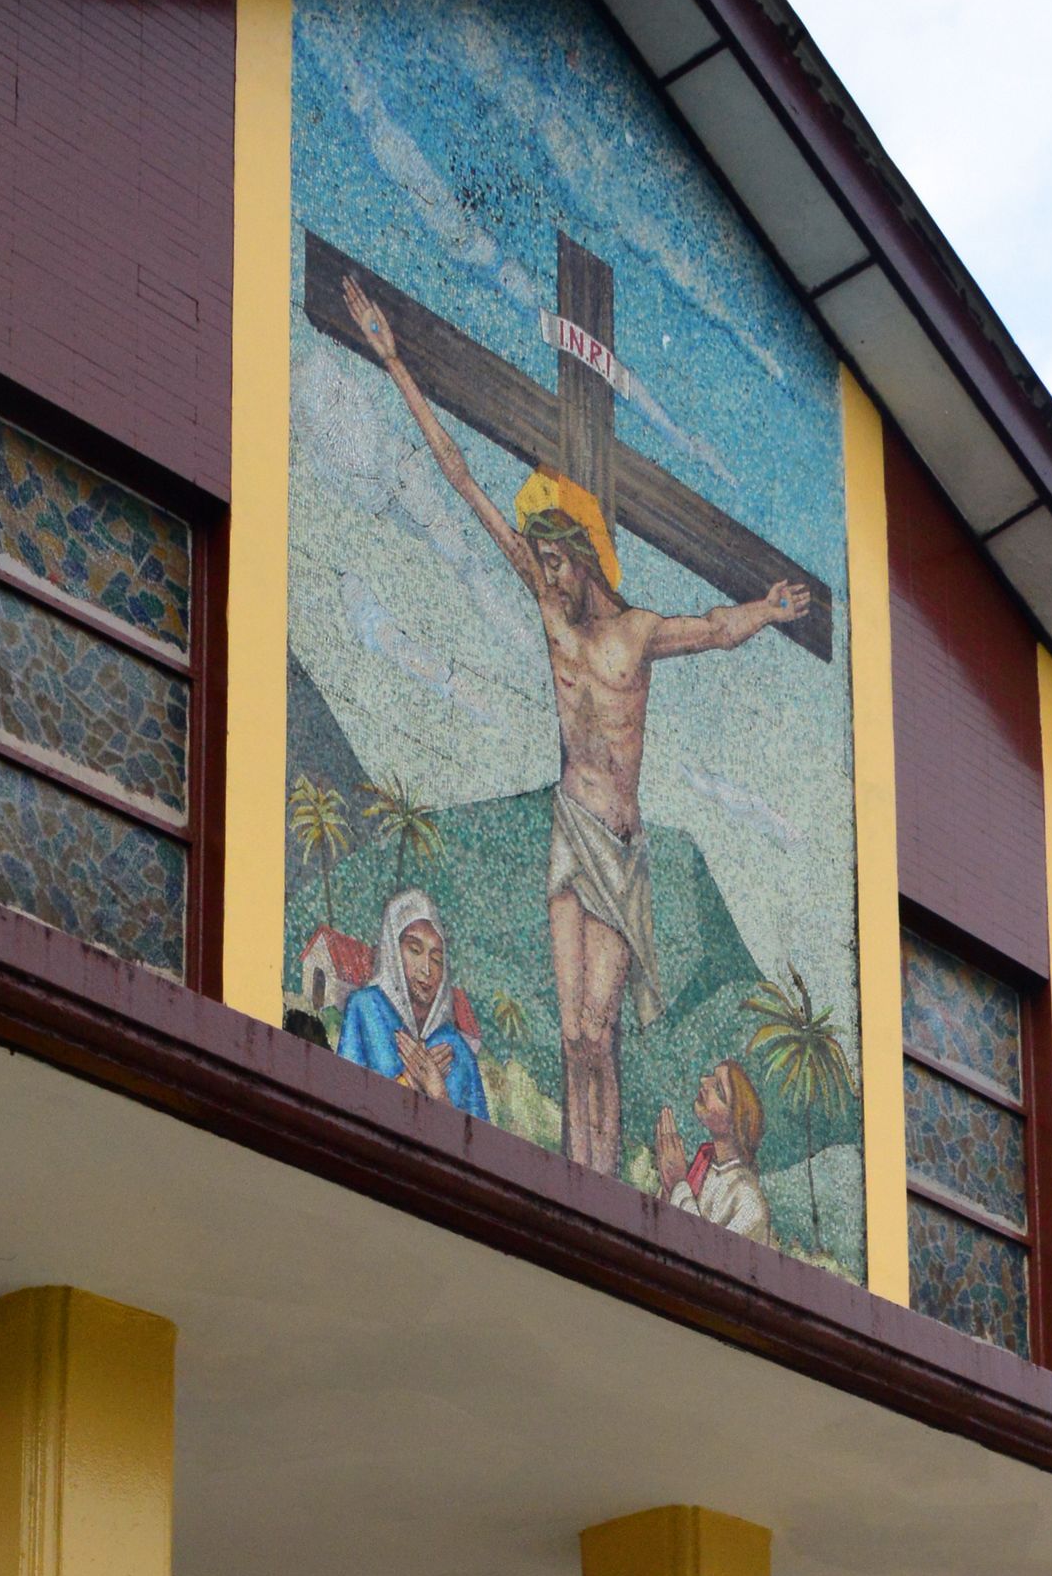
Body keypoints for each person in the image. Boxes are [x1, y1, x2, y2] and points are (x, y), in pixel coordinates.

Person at [342, 275, 806, 1179]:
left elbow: (711, 632)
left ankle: (600, 1169)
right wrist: (395, 360)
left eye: (556, 561)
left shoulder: (634, 634)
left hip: (619, 844)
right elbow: (466, 484)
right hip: (569, 828)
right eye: (541, 562)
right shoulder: (552, 619)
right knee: (571, 1031)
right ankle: (576, 1169)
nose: (546, 577)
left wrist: (766, 608)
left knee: (604, 1031)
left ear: (586, 559)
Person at [335, 889, 489, 1120]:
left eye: (437, 959)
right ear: (393, 951)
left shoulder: (457, 1050)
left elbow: (482, 1146)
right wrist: (408, 1081)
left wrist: (439, 1096)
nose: (426, 969)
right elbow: (342, 1101)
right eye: (414, 950)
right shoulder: (365, 1008)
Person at [654, 1059, 773, 1243]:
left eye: (718, 1090)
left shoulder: (748, 1200)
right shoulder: (704, 1166)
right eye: (711, 1077)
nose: (703, 1081)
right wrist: (669, 1187)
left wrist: (678, 1183)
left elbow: (708, 1255)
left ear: (735, 1123)